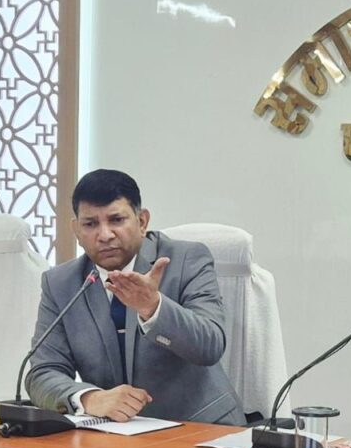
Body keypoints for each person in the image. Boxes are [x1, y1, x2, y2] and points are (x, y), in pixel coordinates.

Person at [26, 169, 245, 425]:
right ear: (76, 229)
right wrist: (89, 398)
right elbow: (42, 373)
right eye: (90, 224)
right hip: (115, 435)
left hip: (201, 428)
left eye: (116, 220)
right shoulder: (61, 283)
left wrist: (153, 308)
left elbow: (210, 346)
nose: (105, 235)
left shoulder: (186, 259)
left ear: (142, 222)